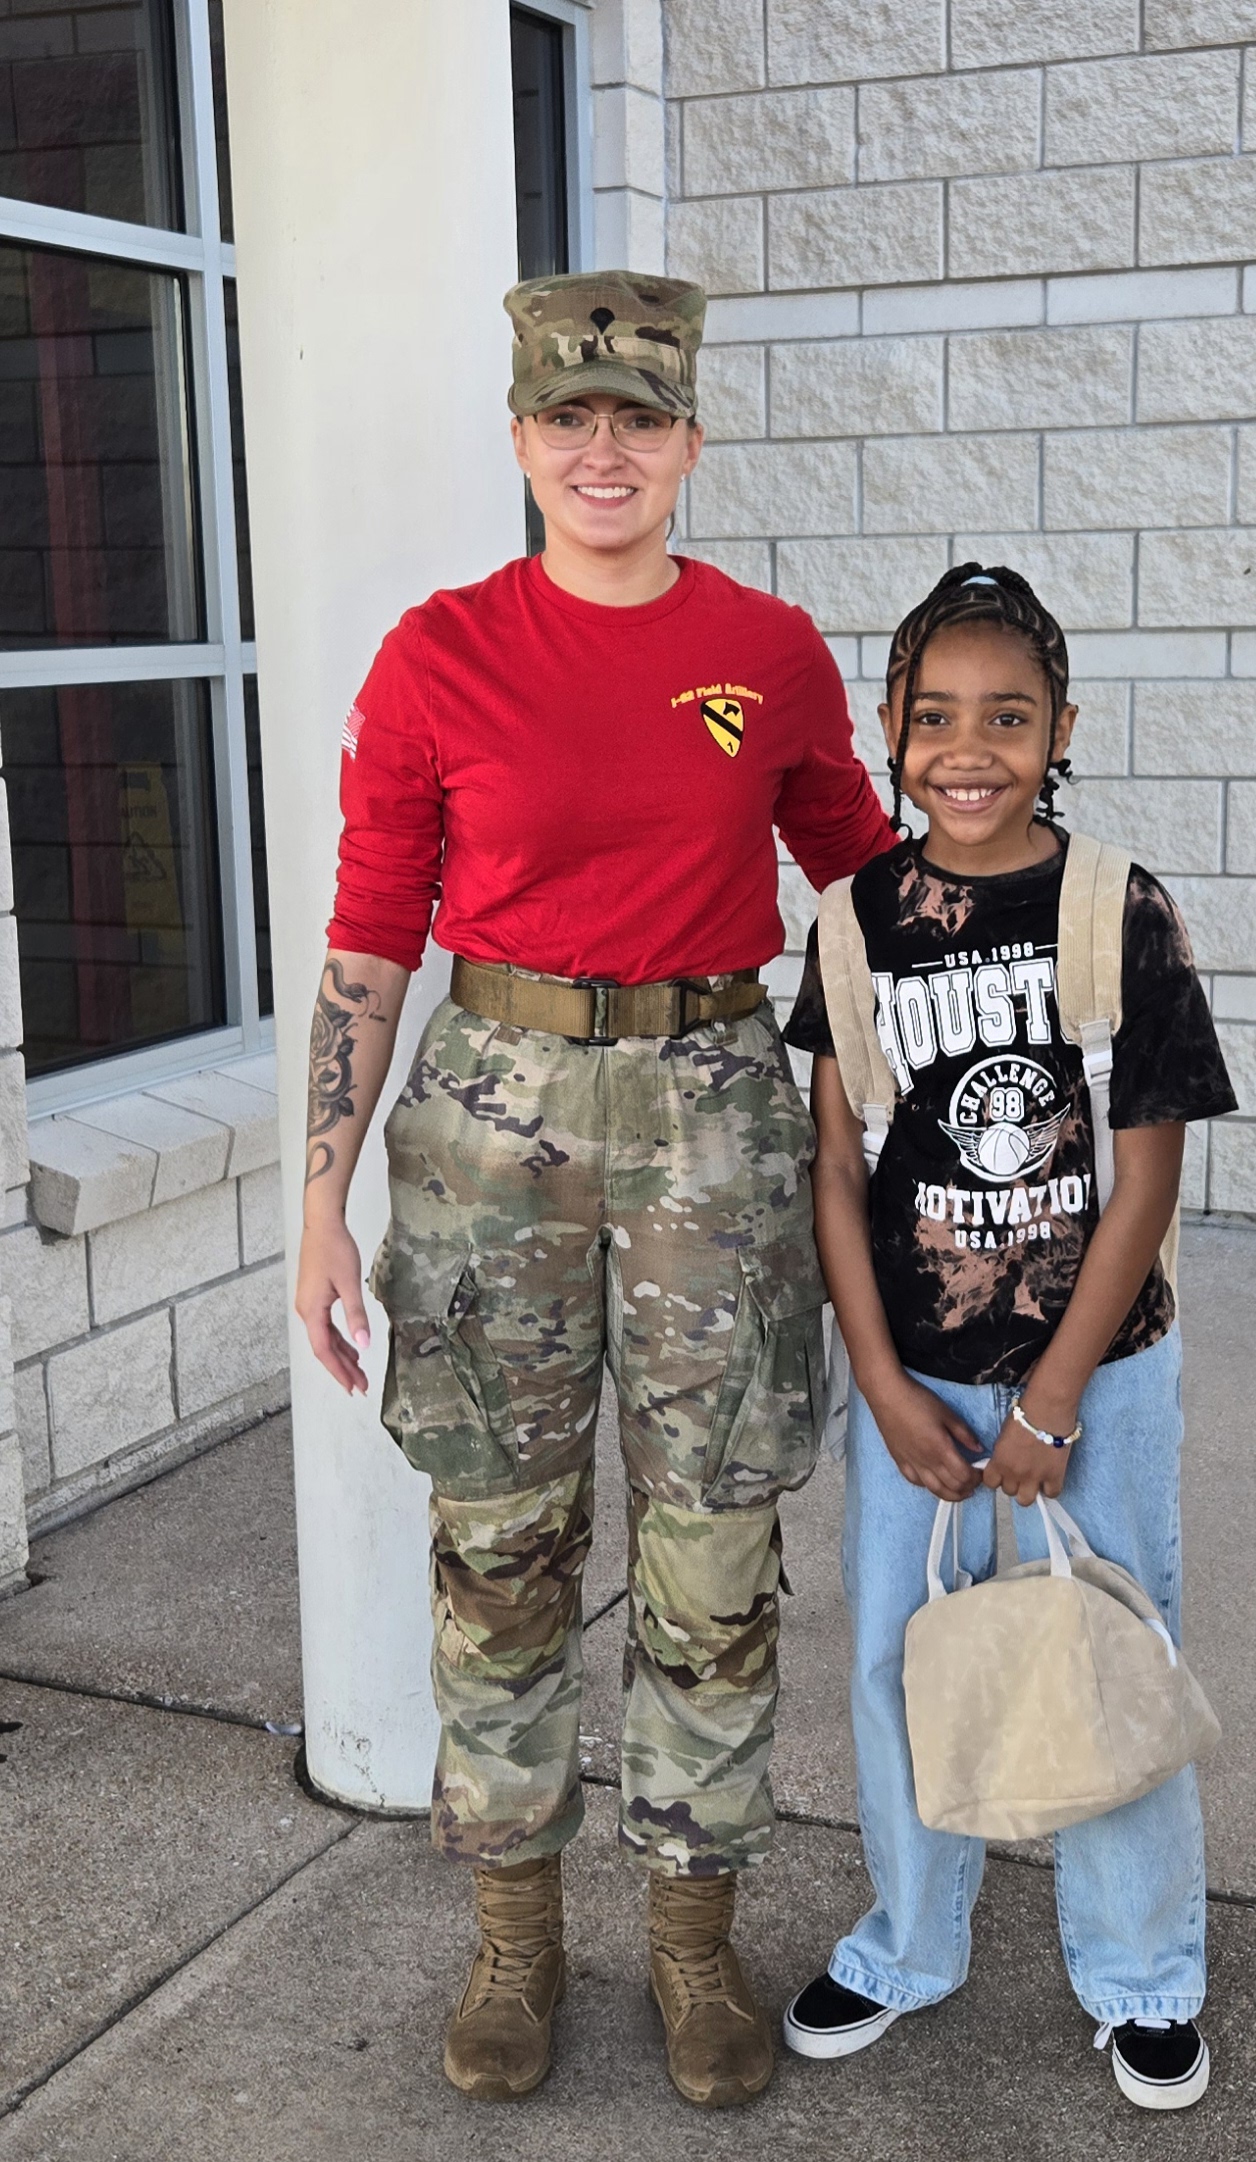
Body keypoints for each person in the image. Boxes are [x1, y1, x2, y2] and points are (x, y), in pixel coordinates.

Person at [293, 269, 895, 2110]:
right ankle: (516, 1935)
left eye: (639, 418)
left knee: (714, 1535)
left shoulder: (770, 651)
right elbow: (371, 935)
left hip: (716, 1112)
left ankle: (696, 1942)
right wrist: (315, 1200)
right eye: (572, 417)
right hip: (492, 1123)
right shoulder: (438, 656)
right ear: (523, 440)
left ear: (691, 442)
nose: (604, 448)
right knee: (501, 1539)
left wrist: (1011, 1020)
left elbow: (867, 885)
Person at [779, 563, 1237, 2110]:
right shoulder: (852, 926)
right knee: (901, 1662)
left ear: (1059, 730)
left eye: (1007, 716)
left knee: (1110, 1636)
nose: (967, 748)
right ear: (889, 731)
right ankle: (913, 1938)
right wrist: (881, 1381)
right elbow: (838, 1166)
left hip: (1098, 1367)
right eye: (933, 716)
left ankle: (1143, 1968)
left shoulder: (1118, 904)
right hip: (914, 1374)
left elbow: (1153, 1161)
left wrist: (1050, 1396)